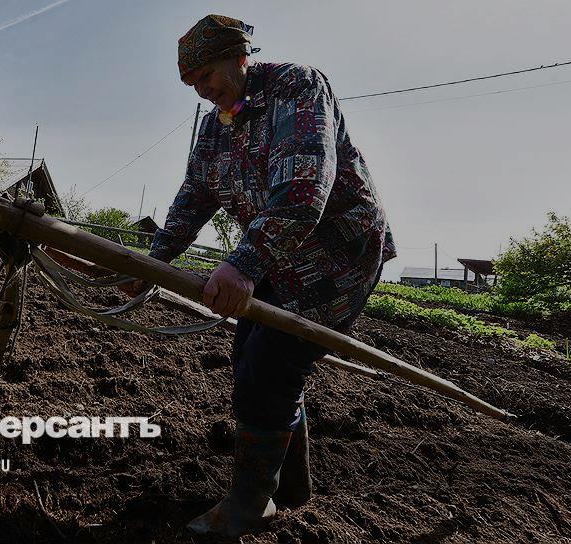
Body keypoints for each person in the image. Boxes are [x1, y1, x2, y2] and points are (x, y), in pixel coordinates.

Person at [138, 14, 397, 537]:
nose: (202, 91)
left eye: (206, 76)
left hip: (335, 256)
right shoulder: (215, 126)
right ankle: (291, 487)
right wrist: (154, 262)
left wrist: (242, 264)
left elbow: (304, 190)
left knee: (271, 365)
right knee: (251, 359)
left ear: (238, 57)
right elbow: (195, 195)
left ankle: (252, 502)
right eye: (192, 84)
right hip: (278, 254)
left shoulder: (296, 88)